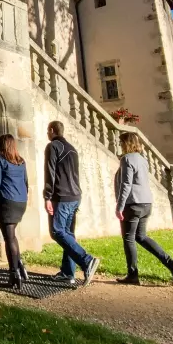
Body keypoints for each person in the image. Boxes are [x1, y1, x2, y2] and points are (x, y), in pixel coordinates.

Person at [115, 132, 173, 286]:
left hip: (132, 204)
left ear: (126, 143)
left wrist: (119, 205)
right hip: (146, 203)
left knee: (129, 238)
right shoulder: (142, 160)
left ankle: (132, 275)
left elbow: (126, 184)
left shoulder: (127, 159)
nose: (120, 146)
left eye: (121, 143)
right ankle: (171, 263)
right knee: (141, 236)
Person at [44, 121, 100, 287]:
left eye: (48, 131)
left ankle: (87, 260)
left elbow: (50, 171)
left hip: (62, 196)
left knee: (57, 231)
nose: (47, 134)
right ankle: (68, 273)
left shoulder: (53, 146)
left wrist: (47, 196)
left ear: (52, 130)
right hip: (75, 196)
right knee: (68, 233)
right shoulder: (72, 149)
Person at [0, 134, 30, 290]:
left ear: (1, 145)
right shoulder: (21, 161)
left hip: (7, 201)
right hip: (21, 201)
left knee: (8, 237)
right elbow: (26, 182)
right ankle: (20, 266)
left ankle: (14, 273)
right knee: (12, 235)